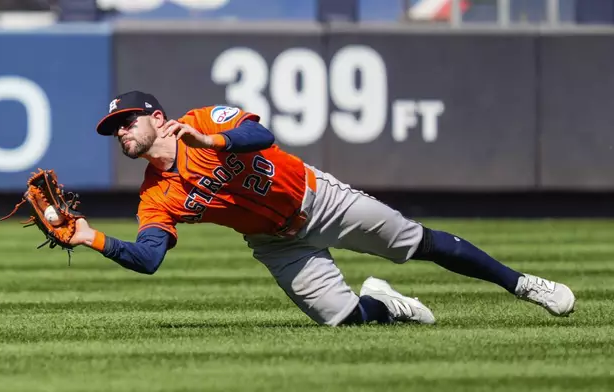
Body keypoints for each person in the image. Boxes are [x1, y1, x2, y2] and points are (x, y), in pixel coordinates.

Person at [69, 90, 576, 326]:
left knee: (416, 242)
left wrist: (212, 137)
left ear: (157, 118)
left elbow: (260, 133)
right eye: (115, 129)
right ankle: (388, 305)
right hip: (276, 243)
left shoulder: (202, 119)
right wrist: (90, 237)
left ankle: (522, 284)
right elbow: (148, 257)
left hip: (318, 198)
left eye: (128, 121)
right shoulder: (155, 195)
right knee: (343, 319)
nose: (121, 132)